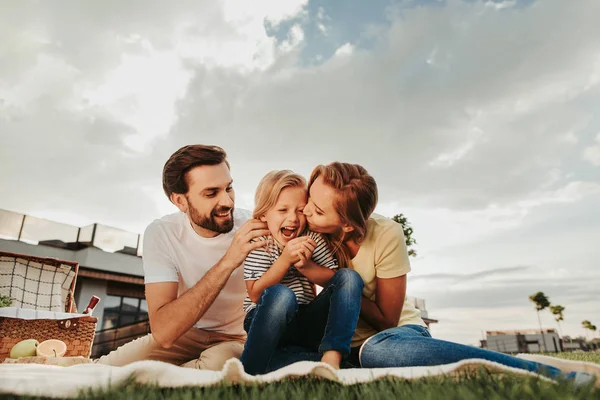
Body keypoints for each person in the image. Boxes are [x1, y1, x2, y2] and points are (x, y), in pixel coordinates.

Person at [269, 161, 593, 385]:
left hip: (393, 335)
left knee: (378, 351)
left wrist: (321, 275)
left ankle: (543, 374)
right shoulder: (306, 230)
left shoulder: (386, 233)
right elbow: (267, 227)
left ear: (348, 224)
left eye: (317, 209)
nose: (305, 211)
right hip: (335, 348)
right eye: (310, 199)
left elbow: (386, 318)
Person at [96, 144, 270, 370]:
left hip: (237, 338)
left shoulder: (255, 228)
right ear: (180, 201)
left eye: (228, 188)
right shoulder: (162, 233)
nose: (227, 202)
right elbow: (164, 332)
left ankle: (169, 376)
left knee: (217, 365)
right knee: (104, 370)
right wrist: (229, 260)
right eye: (211, 193)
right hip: (183, 334)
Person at [239, 170, 363, 375]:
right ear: (263, 214)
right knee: (281, 294)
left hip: (306, 323)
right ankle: (250, 369)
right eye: (282, 210)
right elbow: (255, 293)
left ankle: (331, 358)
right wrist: (285, 259)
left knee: (349, 277)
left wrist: (306, 266)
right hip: (266, 322)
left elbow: (335, 282)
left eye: (299, 210)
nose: (293, 219)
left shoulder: (312, 238)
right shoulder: (261, 242)